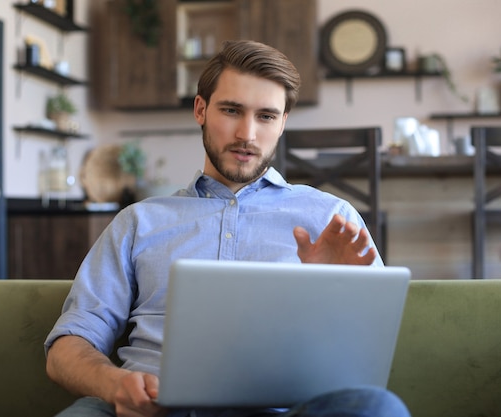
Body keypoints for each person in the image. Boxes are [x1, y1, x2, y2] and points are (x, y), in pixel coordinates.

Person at [45, 40, 410, 417]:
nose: (247, 134)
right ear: (200, 109)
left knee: (378, 407)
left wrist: (344, 300)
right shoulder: (139, 221)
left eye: (266, 116)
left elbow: (369, 362)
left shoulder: (331, 218)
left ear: (283, 122)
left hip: (278, 410)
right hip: (150, 408)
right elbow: (66, 348)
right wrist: (115, 384)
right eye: (232, 110)